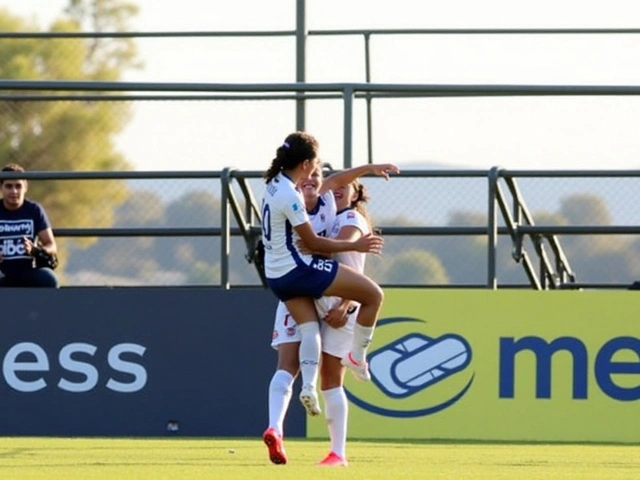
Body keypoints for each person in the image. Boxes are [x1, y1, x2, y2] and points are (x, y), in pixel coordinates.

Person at [260, 131, 397, 463]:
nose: (319, 180)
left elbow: (338, 180)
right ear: (305, 166)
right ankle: (356, 358)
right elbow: (317, 245)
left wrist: (368, 167)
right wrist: (356, 245)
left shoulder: (282, 187)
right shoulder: (294, 197)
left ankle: (278, 427)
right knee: (373, 296)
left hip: (281, 279)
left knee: (302, 346)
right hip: (302, 273)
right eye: (315, 169)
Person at [314, 178, 374, 467]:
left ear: (355, 192)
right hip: (322, 301)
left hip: (341, 306)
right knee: (321, 377)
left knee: (330, 380)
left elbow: (349, 257)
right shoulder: (326, 217)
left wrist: (346, 304)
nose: (338, 187)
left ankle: (338, 453)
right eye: (335, 182)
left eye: (346, 184)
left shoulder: (351, 217)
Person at [0, 164, 59, 288]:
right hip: (2, 273)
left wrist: (35, 250)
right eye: (9, 186)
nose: (14, 191)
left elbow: (51, 245)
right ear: (1, 188)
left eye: (18, 186)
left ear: (25, 187)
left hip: (27, 271)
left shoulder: (34, 210)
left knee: (49, 279)